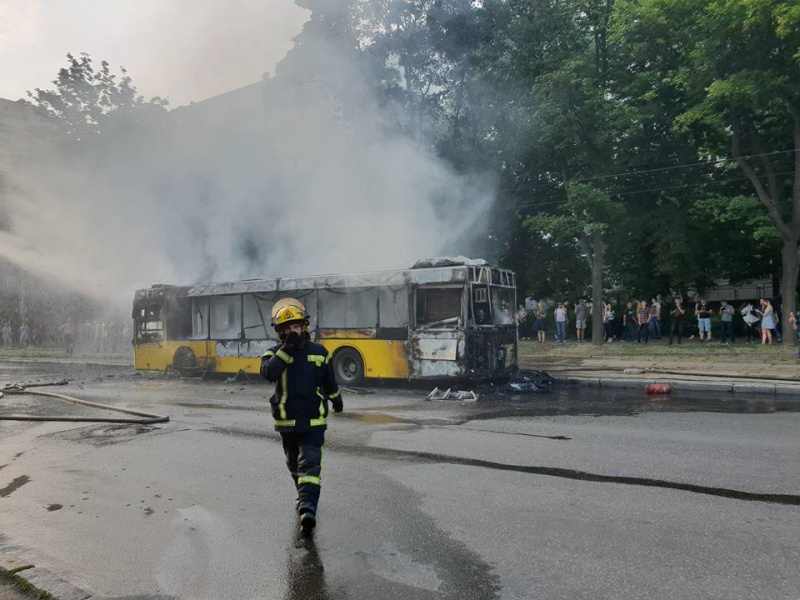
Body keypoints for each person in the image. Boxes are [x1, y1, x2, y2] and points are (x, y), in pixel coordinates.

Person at [260, 300, 343, 535]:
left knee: (310, 465)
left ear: (303, 326)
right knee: (293, 465)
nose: (291, 331)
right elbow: (268, 373)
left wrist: (336, 398)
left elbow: (329, 381)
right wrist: (288, 349)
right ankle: (303, 497)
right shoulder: (274, 353)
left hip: (313, 421)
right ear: (279, 331)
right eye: (285, 328)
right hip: (287, 423)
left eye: (295, 326)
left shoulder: (319, 352)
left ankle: (308, 508)